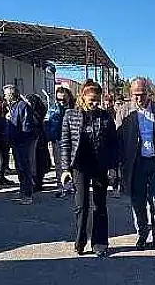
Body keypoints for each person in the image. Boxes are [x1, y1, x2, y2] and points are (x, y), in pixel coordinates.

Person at [60, 79, 118, 257]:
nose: (95, 104)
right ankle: (80, 240)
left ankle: (100, 242)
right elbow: (65, 143)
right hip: (80, 166)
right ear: (83, 97)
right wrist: (65, 169)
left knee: (100, 205)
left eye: (97, 100)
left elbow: (113, 144)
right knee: (81, 206)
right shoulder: (71, 115)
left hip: (100, 165)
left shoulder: (105, 116)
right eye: (92, 100)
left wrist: (113, 167)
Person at [119, 78, 155, 250]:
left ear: (149, 93)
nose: (139, 98)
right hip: (135, 164)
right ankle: (142, 236)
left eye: (142, 94)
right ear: (130, 94)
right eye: (135, 95)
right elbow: (119, 139)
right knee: (138, 203)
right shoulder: (124, 111)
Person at [5, 84, 38, 205]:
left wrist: (22, 140)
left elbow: (26, 125)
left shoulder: (22, 106)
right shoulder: (13, 106)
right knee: (19, 168)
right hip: (16, 141)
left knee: (25, 167)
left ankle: (28, 194)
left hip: (22, 141)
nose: (4, 97)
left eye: (6, 94)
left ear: (11, 95)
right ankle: (23, 191)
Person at [45, 87, 73, 198]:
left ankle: (71, 186)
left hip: (72, 140)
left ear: (69, 97)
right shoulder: (53, 109)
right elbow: (47, 124)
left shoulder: (74, 108)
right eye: (59, 99)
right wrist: (50, 138)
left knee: (72, 163)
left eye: (64, 99)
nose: (61, 101)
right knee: (59, 165)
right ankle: (61, 187)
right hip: (58, 140)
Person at [24, 93, 51, 193]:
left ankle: (36, 183)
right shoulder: (41, 110)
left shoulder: (32, 113)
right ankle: (38, 182)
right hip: (41, 138)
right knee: (39, 161)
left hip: (36, 138)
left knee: (35, 161)